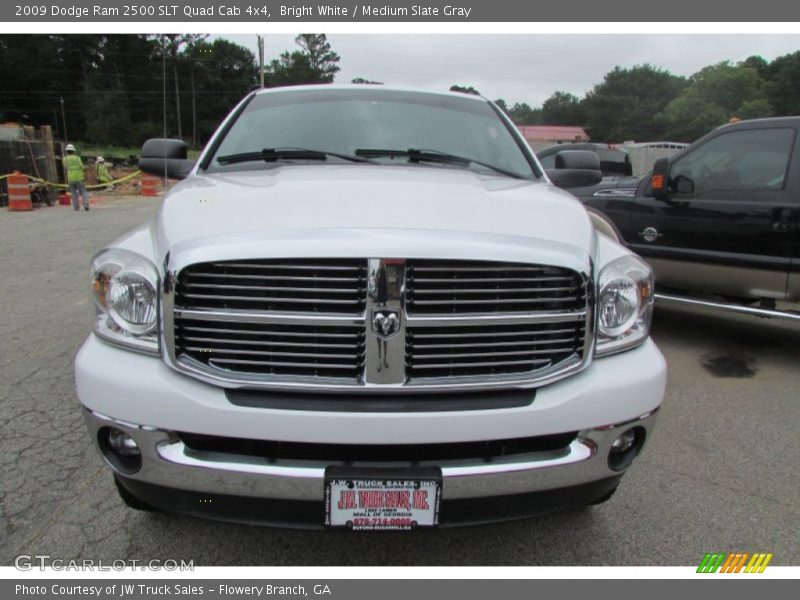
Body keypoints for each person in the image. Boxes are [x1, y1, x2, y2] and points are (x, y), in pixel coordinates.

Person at [63, 143, 89, 211]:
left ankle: (76, 207)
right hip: (79, 177)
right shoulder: (77, 158)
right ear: (73, 151)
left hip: (71, 178)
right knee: (83, 191)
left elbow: (65, 167)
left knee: (73, 193)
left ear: (67, 151)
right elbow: (81, 167)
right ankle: (86, 205)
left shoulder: (65, 159)